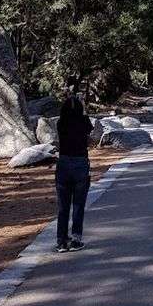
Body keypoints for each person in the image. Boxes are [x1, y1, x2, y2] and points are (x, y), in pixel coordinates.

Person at [55, 94, 93, 252]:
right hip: (80, 163)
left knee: (63, 206)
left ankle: (61, 241)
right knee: (78, 204)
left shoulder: (60, 122)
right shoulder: (84, 121)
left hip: (63, 163)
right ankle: (76, 238)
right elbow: (89, 134)